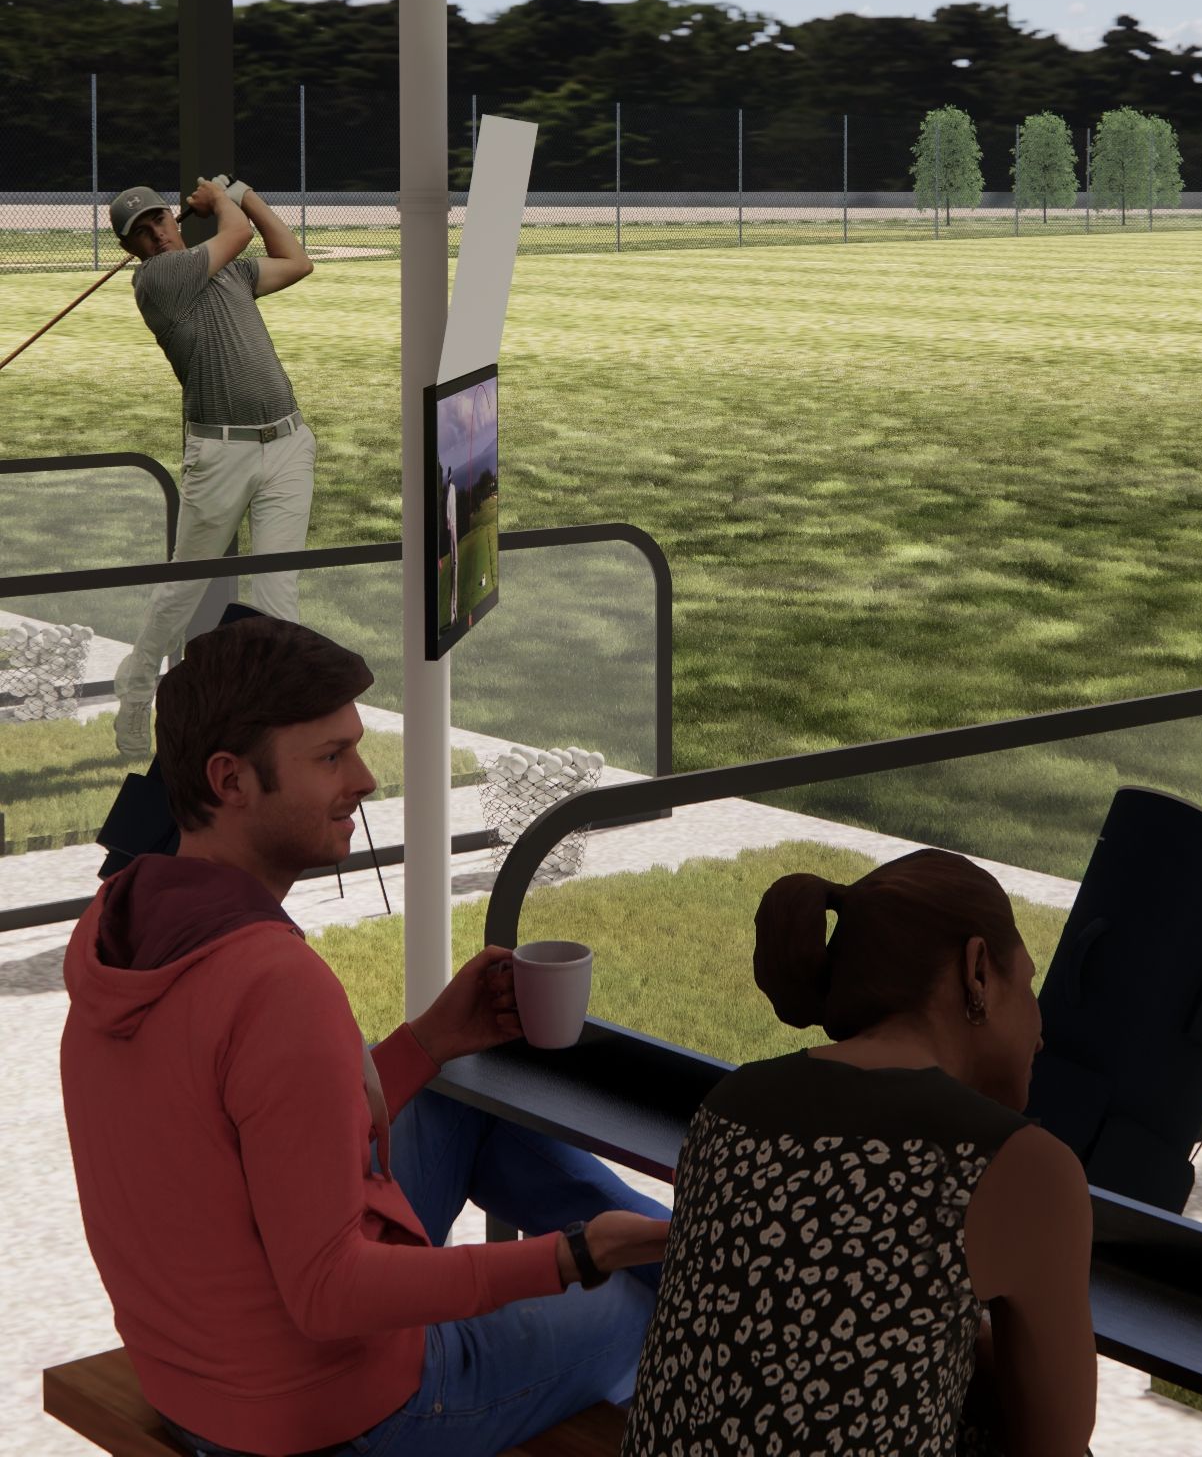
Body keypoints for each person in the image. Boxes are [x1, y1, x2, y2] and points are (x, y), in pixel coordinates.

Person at [61, 615, 671, 1457]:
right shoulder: (273, 985)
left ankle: (693, 1247)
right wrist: (568, 1259)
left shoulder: (123, 922)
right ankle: (716, 1270)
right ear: (230, 779)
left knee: (466, 1106)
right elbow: (328, 1293)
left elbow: (242, 1131)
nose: (367, 778)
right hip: (328, 1417)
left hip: (198, 1368)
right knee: (644, 1306)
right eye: (331, 757)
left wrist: (427, 1042)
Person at [621, 850, 1096, 1457]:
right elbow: (1054, 1444)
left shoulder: (732, 1102)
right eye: (1027, 984)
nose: (1041, 1028)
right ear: (977, 971)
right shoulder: (1017, 1165)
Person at [108, 177, 317, 759]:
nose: (157, 234)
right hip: (220, 452)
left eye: (161, 220)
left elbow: (296, 261)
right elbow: (240, 233)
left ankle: (281, 723)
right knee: (184, 585)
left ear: (175, 221)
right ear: (133, 249)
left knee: (280, 590)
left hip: (288, 441)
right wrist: (222, 199)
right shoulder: (156, 280)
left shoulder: (226, 271)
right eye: (142, 233)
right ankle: (137, 683)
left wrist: (247, 193)